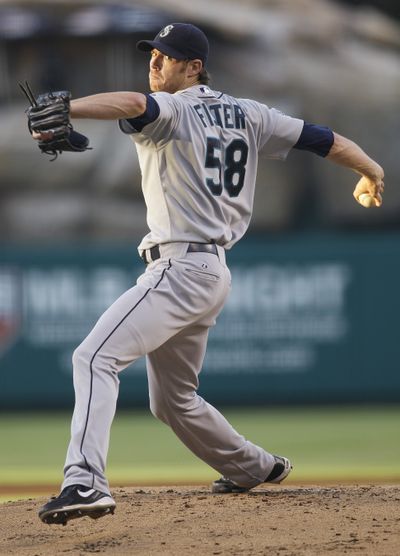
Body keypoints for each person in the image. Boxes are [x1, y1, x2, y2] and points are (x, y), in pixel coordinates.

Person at [35, 23, 384, 525]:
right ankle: (252, 467)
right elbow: (322, 139)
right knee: (173, 400)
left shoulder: (173, 107)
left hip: (178, 268)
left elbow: (135, 103)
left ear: (194, 67)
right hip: (212, 273)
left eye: (168, 56)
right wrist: (370, 170)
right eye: (152, 53)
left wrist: (70, 106)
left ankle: (84, 481)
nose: (156, 62)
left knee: (93, 357)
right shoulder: (250, 113)